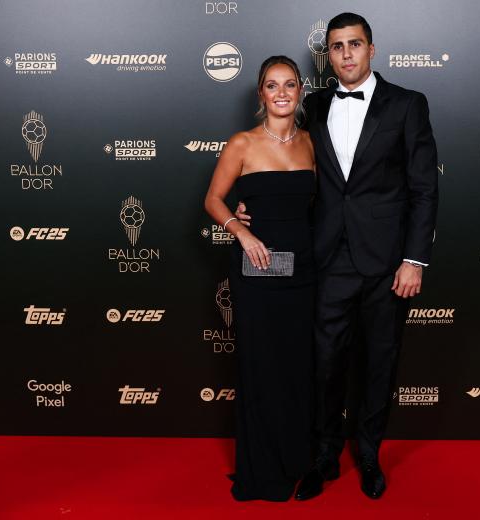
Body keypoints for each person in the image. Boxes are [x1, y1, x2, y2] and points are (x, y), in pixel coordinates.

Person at [237, 13, 438, 500]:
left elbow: (425, 188)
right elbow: (285, 166)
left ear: (372, 49)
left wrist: (415, 260)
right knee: (324, 363)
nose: (346, 54)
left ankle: (368, 454)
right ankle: (325, 454)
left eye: (354, 44)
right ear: (327, 56)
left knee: (379, 363)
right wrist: (250, 207)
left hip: (388, 262)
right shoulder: (315, 105)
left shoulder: (408, 105)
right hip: (326, 259)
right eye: (336, 47)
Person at [203, 56, 315, 501]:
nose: (282, 92)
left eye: (290, 84)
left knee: (297, 369)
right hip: (258, 271)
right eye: (272, 85)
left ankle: (296, 460)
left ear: (301, 91)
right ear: (260, 94)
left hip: (304, 272)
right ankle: (262, 468)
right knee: (261, 367)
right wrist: (241, 229)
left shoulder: (311, 143)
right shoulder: (243, 144)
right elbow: (213, 199)